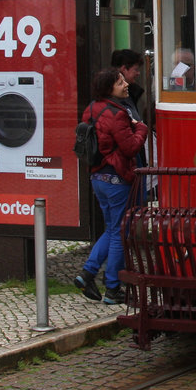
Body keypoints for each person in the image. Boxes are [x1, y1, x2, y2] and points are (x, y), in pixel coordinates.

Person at [74, 68, 149, 306]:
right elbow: (130, 148)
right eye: (120, 82)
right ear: (109, 88)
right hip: (117, 180)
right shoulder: (118, 114)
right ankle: (113, 287)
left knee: (111, 228)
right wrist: (141, 128)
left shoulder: (91, 109)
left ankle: (87, 273)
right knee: (120, 232)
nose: (125, 84)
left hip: (98, 179)